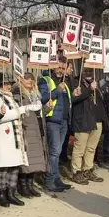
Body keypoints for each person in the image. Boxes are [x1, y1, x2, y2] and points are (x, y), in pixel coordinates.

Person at [0, 73, 32, 207]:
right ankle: (0, 192)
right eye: (5, 84)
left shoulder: (11, 98)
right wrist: (20, 110)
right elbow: (1, 117)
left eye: (9, 84)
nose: (8, 86)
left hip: (14, 135)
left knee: (14, 165)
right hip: (3, 135)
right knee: (3, 166)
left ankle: (11, 192)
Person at [38, 63, 72, 192]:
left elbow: (66, 102)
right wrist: (57, 90)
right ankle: (50, 180)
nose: (61, 71)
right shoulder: (45, 80)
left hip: (63, 121)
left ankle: (57, 179)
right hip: (52, 121)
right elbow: (42, 98)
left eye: (63, 69)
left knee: (57, 152)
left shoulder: (64, 82)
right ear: (52, 67)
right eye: (59, 68)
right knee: (54, 151)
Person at [13, 72, 46, 198]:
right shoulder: (18, 95)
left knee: (34, 160)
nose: (30, 83)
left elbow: (38, 111)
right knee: (27, 160)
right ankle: (23, 186)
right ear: (21, 81)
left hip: (36, 129)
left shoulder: (35, 95)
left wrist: (46, 108)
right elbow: (20, 111)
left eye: (32, 81)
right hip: (27, 129)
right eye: (27, 81)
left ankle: (30, 185)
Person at [69, 69, 104, 184]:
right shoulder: (75, 82)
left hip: (96, 120)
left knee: (91, 148)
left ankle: (88, 169)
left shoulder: (96, 83)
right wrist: (89, 89)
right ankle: (76, 172)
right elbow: (74, 99)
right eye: (86, 71)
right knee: (80, 148)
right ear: (82, 71)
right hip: (82, 120)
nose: (89, 73)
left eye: (91, 71)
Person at [97, 73, 109, 167]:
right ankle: (105, 153)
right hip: (105, 110)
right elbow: (100, 96)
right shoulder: (102, 82)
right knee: (105, 133)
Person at [60, 61, 75, 164]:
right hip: (59, 115)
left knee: (66, 138)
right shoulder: (60, 80)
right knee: (60, 142)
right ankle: (60, 160)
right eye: (70, 67)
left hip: (68, 114)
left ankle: (64, 157)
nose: (72, 70)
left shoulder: (71, 80)